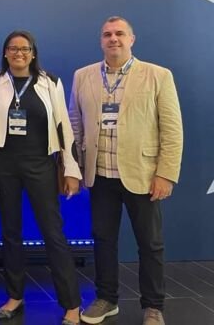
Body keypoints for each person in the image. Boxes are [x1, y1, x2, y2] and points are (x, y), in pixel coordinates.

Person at [69, 17, 183, 325]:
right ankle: (106, 299)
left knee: (150, 243)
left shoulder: (158, 75)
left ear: (132, 39)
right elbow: (75, 124)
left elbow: (172, 129)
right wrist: (73, 168)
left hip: (142, 175)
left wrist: (165, 174)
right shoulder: (83, 76)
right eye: (107, 34)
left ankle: (153, 306)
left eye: (120, 33)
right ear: (101, 41)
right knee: (103, 240)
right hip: (99, 174)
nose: (113, 38)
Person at [0, 30, 82, 325]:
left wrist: (71, 169)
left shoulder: (51, 82)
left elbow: (64, 127)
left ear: (33, 53)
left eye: (24, 49)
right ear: (5, 53)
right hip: (3, 165)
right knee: (10, 233)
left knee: (53, 232)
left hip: (40, 164)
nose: (19, 53)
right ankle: (15, 296)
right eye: (13, 48)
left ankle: (71, 304)